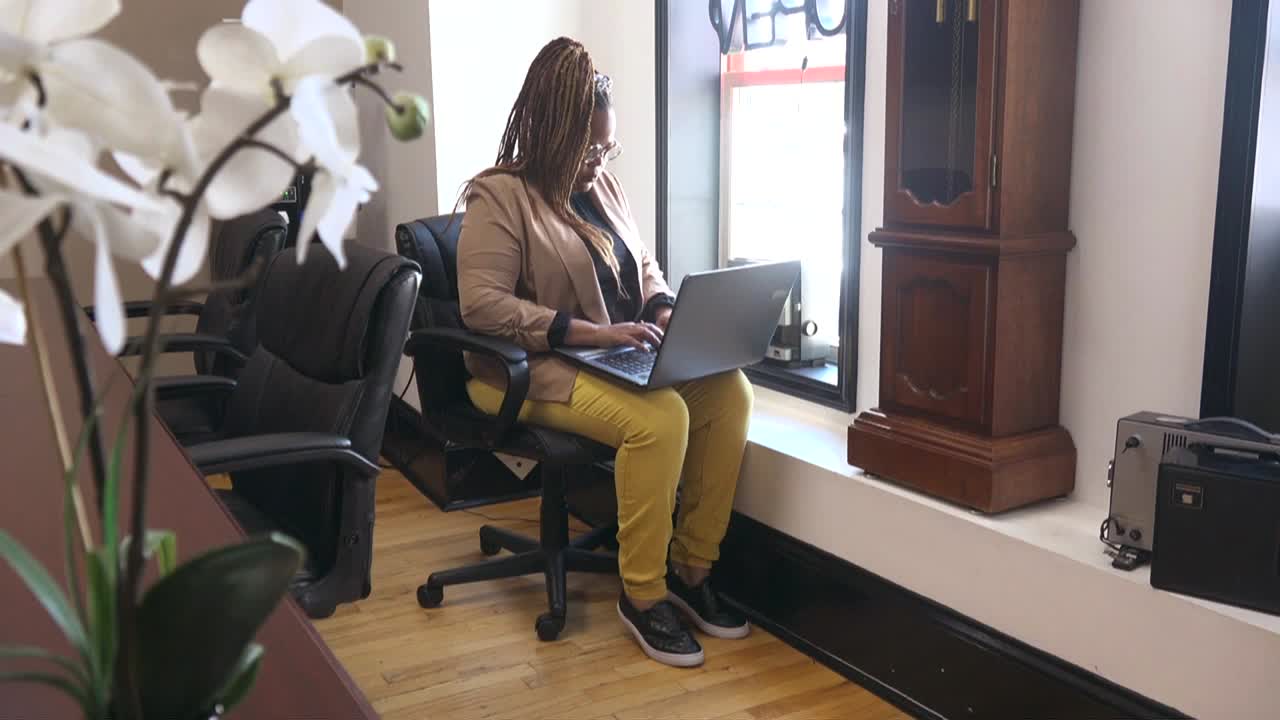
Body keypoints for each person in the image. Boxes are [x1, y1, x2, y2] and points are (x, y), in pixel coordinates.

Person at [455, 37, 754, 668]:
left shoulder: (605, 188)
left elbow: (640, 262)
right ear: (552, 134)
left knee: (729, 393)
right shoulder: (499, 197)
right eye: (588, 148)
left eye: (606, 146)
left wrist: (662, 308)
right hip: (524, 368)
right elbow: (480, 305)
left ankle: (691, 569)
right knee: (661, 418)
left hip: (612, 354)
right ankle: (643, 596)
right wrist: (585, 333)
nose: (599, 159)